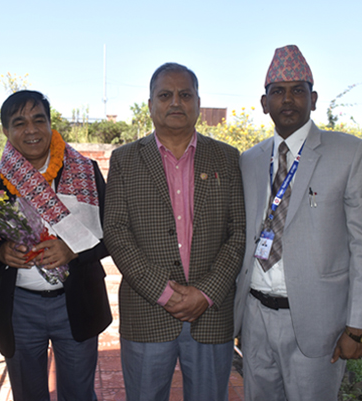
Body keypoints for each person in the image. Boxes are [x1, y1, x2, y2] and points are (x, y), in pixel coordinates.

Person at [232, 45, 362, 400]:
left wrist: (358, 328)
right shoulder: (249, 161)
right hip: (254, 318)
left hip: (319, 322)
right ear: (263, 102)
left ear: (313, 99)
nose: (288, 99)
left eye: (298, 90)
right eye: (278, 91)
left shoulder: (350, 153)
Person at [103, 62, 245, 401]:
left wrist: (205, 292)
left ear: (198, 102)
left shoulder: (227, 158)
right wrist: (164, 292)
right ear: (150, 104)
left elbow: (239, 232)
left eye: (185, 94)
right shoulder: (124, 159)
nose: (176, 102)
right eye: (165, 95)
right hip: (147, 310)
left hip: (211, 310)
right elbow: (116, 233)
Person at [0, 90, 111, 400]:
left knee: (78, 394)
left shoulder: (85, 172)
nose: (31, 130)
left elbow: (112, 234)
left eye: (39, 120)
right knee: (28, 394)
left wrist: (72, 250)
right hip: (19, 306)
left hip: (76, 300)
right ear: (6, 131)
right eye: (20, 122)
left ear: (50, 124)